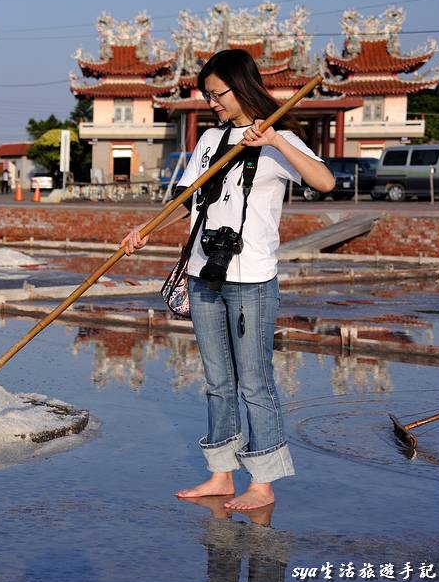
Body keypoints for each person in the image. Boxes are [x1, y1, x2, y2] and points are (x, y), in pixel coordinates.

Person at [120, 49, 334, 511]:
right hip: (203, 275)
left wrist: (276, 142)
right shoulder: (209, 142)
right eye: (208, 95)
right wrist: (143, 231)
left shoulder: (279, 140)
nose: (212, 102)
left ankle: (262, 482)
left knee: (254, 380)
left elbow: (325, 182)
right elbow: (185, 201)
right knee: (217, 380)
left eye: (217, 94)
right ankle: (221, 474)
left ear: (241, 87)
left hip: (253, 278)